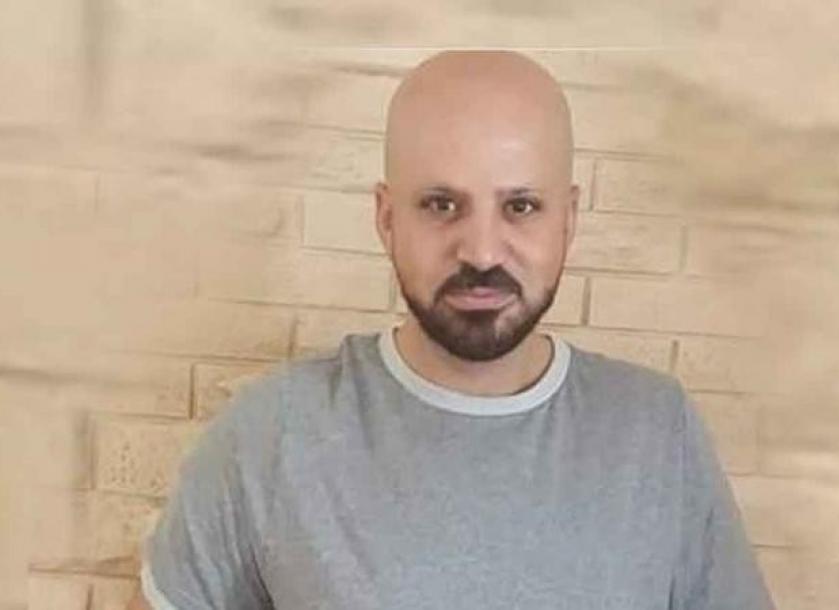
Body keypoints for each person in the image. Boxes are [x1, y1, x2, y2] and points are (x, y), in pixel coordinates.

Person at [128, 50, 773, 609]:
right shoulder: (271, 433)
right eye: (441, 205)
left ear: (569, 219)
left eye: (521, 206)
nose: (482, 252)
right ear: (387, 219)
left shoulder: (658, 434)